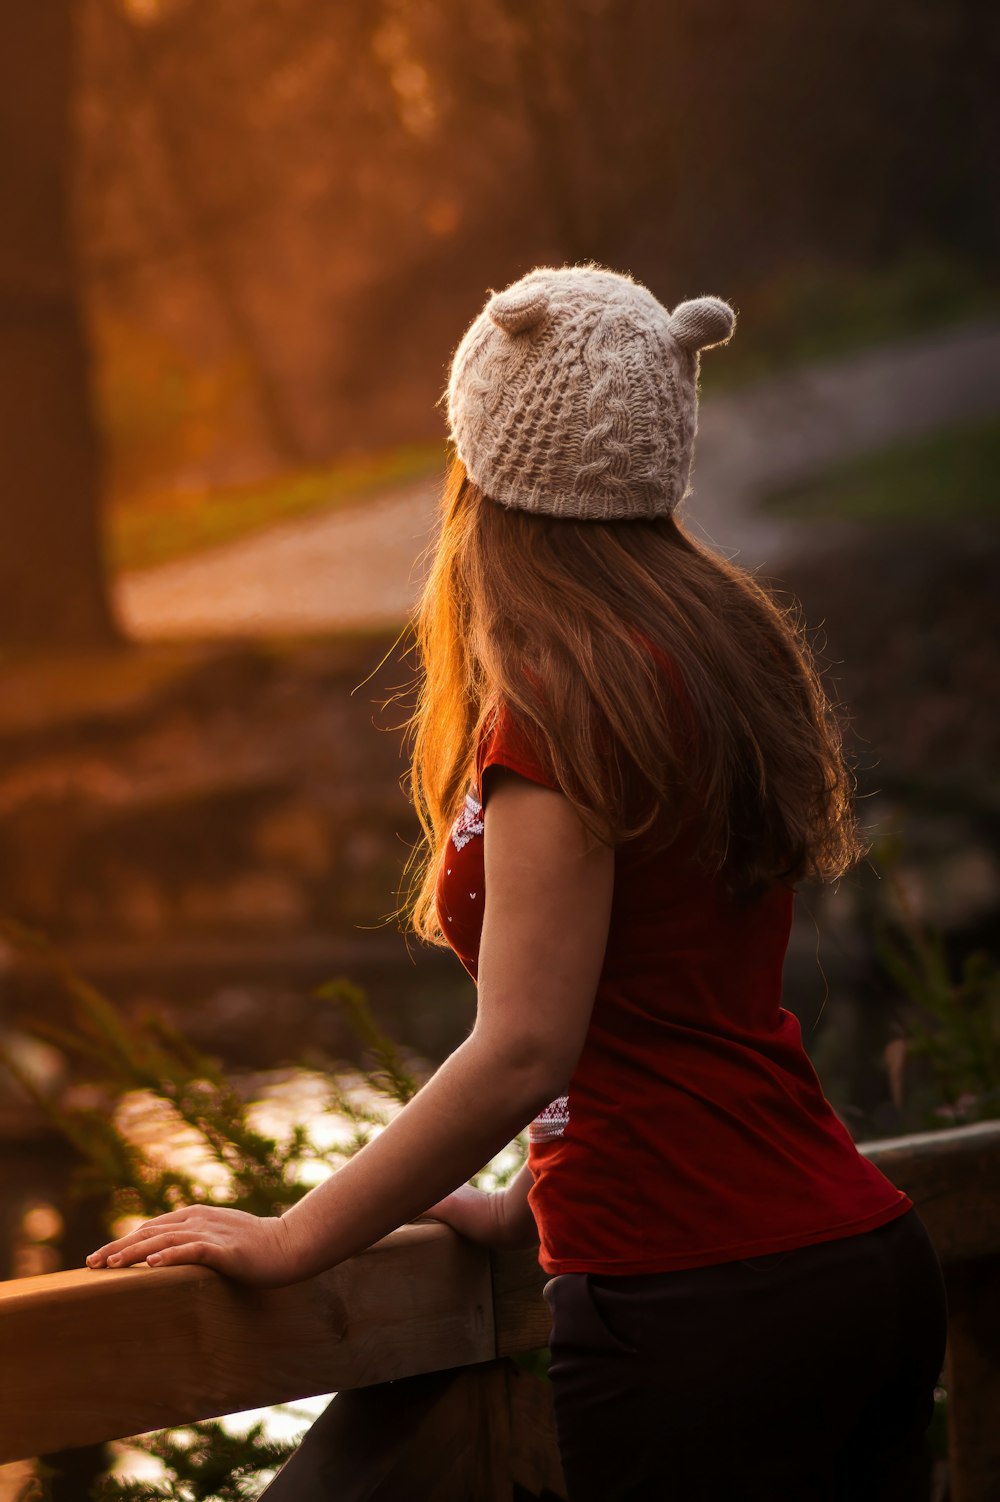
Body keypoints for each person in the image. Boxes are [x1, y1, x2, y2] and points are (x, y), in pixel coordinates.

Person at [87, 265, 948, 1500]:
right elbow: (670, 1007)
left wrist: (291, 1238)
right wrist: (524, 1197)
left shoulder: (562, 712)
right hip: (860, 1263)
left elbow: (526, 1044)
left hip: (693, 1307)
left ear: (482, 465)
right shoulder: (727, 654)